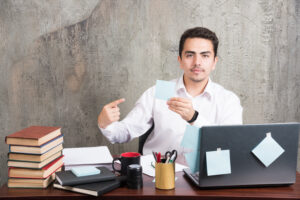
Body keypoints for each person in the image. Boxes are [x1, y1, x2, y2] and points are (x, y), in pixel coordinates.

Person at [98, 27, 243, 157]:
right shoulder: (161, 91)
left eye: (205, 55)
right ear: (180, 60)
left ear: (214, 62)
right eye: (190, 55)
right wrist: (105, 124)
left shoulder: (227, 100)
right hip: (157, 175)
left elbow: (230, 144)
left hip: (206, 175)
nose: (197, 62)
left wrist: (194, 118)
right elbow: (126, 131)